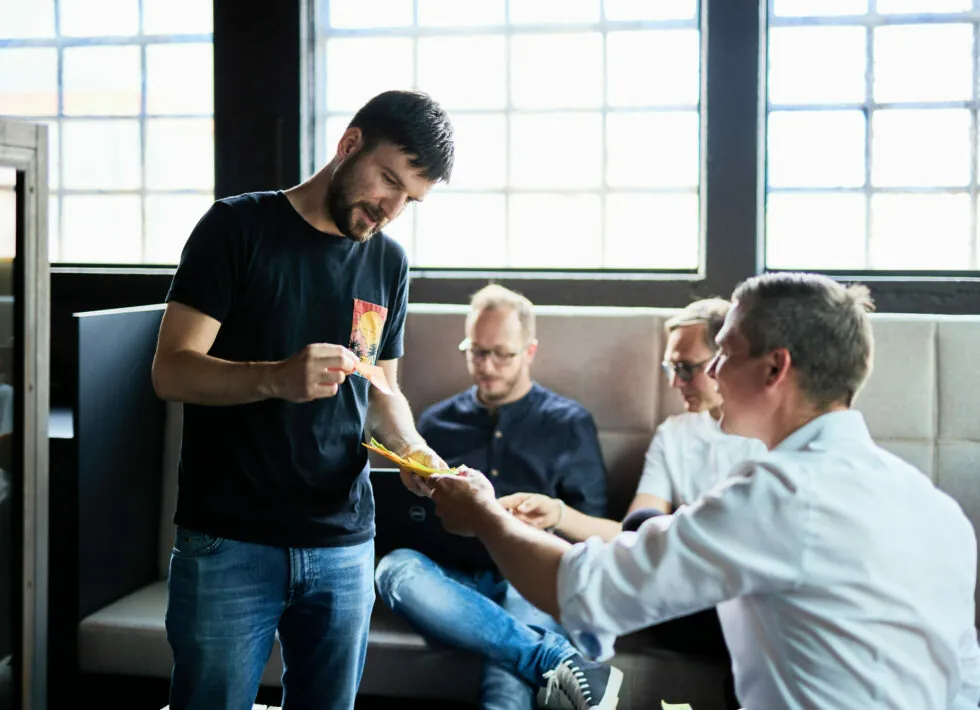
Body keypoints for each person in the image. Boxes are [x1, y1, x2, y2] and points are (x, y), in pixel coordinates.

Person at [429, 272, 980, 710]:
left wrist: (481, 513)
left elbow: (581, 587)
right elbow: (963, 681)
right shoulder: (935, 508)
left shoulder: (780, 496)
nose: (712, 371)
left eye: (724, 351)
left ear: (774, 368)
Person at [151, 90, 455, 710]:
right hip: (229, 539)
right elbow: (171, 371)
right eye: (387, 181)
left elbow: (381, 391)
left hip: (344, 544)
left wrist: (417, 454)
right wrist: (274, 378)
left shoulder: (389, 263)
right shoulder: (236, 227)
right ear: (349, 145)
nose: (390, 209)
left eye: (409, 200)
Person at [498, 299, 766, 707]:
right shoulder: (674, 435)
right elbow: (634, 530)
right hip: (684, 598)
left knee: (747, 613)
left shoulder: (769, 436)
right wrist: (559, 513)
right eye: (670, 368)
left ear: (724, 361)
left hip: (743, 591)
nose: (675, 382)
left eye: (686, 368)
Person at [374, 284, 621, 710]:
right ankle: (553, 657)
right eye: (476, 351)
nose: (486, 366)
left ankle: (528, 651)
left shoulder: (568, 423)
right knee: (395, 570)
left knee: (506, 671)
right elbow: (412, 517)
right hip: (450, 582)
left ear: (529, 351)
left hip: (525, 579)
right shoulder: (435, 423)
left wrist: (548, 518)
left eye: (501, 354)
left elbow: (592, 527)